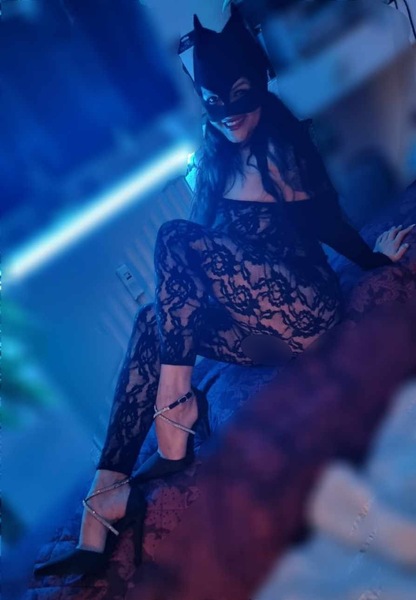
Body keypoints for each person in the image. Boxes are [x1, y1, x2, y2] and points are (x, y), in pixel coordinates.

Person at [34, 7, 413, 577]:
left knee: (172, 237)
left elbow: (330, 224)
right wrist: (185, 309)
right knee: (150, 318)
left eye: (240, 96)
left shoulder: (283, 145)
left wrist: (373, 258)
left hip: (307, 310)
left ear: (259, 82)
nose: (230, 114)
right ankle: (106, 494)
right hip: (260, 336)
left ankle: (178, 413)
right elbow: (195, 259)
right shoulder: (213, 159)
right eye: (216, 102)